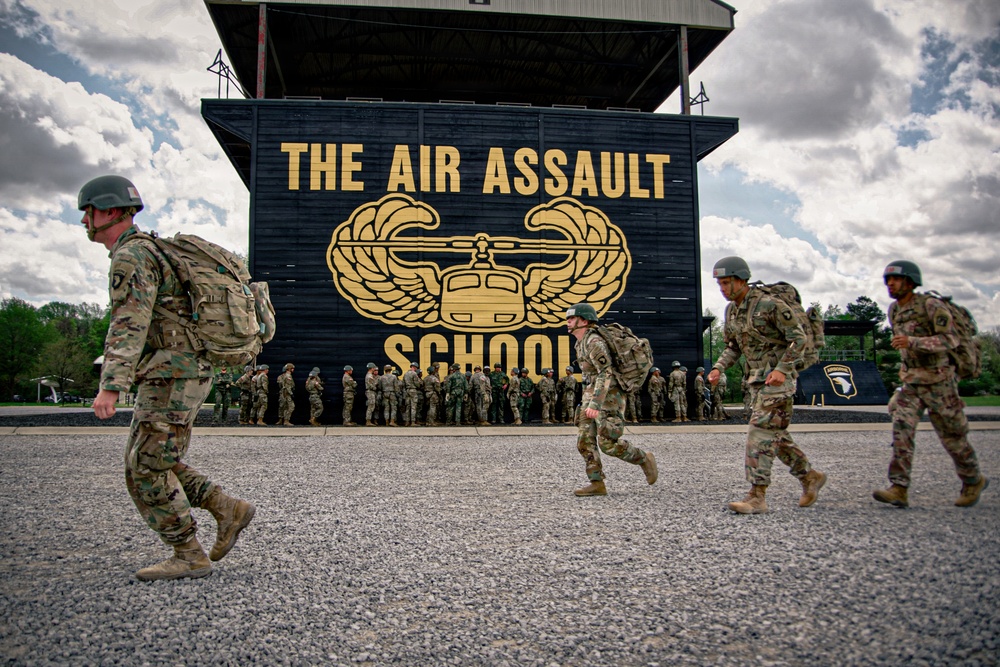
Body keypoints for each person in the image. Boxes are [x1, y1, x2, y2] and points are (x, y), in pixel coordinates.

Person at [80, 174, 254, 581]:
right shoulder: (151, 251)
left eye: (88, 211)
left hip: (172, 373)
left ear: (108, 211)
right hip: (181, 370)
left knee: (144, 466)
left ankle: (188, 554)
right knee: (154, 459)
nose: (84, 220)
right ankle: (226, 508)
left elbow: (129, 322)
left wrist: (111, 385)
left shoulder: (132, 256)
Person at [706, 256, 826, 514]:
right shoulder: (732, 311)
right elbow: (733, 347)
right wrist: (718, 367)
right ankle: (809, 477)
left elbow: (799, 339)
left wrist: (783, 369)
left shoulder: (769, 304)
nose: (723, 289)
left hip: (779, 381)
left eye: (727, 283)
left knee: (759, 431)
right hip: (756, 382)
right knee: (775, 436)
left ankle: (757, 495)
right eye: (720, 284)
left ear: (741, 279)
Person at [873, 260, 988, 508]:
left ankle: (972, 480)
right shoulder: (894, 310)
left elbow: (951, 340)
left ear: (910, 282)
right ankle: (899, 487)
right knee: (901, 430)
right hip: (912, 382)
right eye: (887, 280)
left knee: (953, 436)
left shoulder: (930, 305)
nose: (890, 284)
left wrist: (914, 342)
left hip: (939, 383)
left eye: (895, 279)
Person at [565, 303, 658, 496]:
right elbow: (589, 377)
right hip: (591, 396)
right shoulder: (580, 343)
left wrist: (596, 404)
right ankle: (597, 482)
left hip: (609, 397)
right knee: (584, 441)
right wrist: (587, 401)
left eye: (572, 319)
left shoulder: (594, 342)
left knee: (608, 444)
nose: (568, 322)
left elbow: (605, 373)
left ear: (584, 321)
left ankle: (643, 458)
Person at [402, 362, 422, 426]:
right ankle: (413, 422)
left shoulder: (405, 374)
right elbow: (417, 384)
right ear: (415, 367)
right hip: (413, 390)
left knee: (408, 407)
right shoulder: (414, 374)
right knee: (413, 407)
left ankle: (407, 422)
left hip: (407, 390)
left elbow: (403, 383)